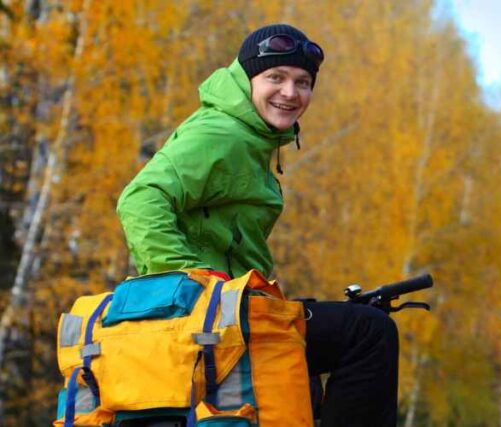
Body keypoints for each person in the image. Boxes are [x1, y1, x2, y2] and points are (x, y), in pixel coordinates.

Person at [116, 24, 398, 426]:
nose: (290, 93)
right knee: (369, 334)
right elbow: (139, 199)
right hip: (204, 312)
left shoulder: (252, 139)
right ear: (247, 79)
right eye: (275, 78)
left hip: (232, 304)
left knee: (317, 337)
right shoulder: (222, 133)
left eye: (303, 82)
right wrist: (190, 284)